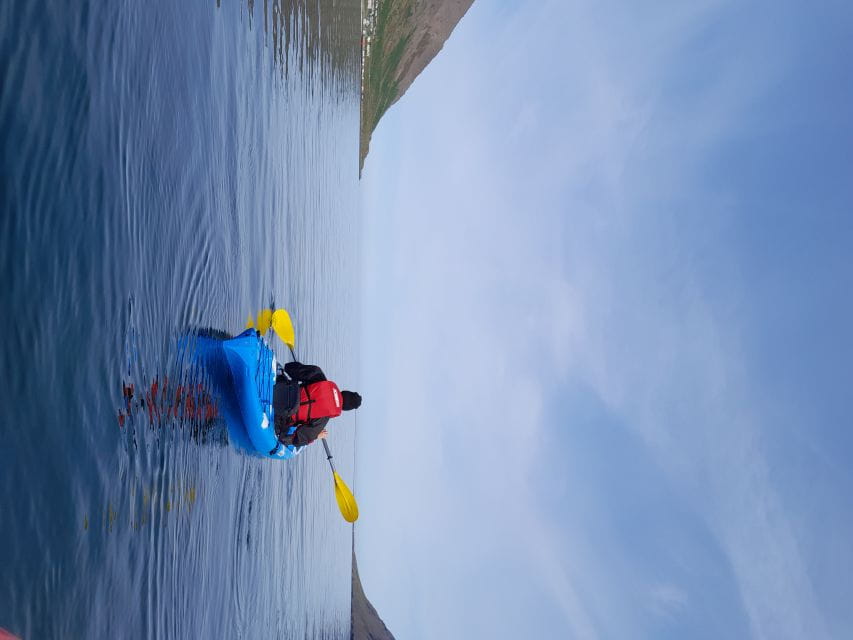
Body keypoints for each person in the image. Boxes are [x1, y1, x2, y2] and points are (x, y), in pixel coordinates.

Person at [273, 360, 361, 448]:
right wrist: (316, 436)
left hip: (280, 389)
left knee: (284, 379)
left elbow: (290, 368)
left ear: (344, 392)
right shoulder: (323, 418)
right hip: (280, 416)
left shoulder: (319, 376)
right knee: (289, 436)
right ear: (345, 408)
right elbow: (297, 439)